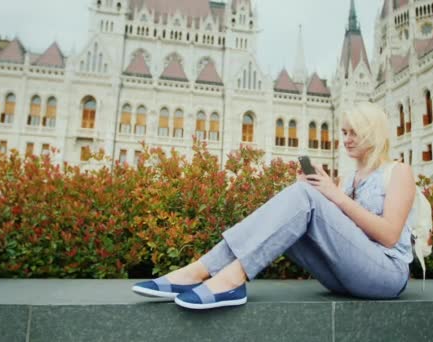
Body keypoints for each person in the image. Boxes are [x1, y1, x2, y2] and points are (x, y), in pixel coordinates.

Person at [132, 102, 416, 310]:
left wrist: (333, 196)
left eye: (354, 132)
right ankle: (201, 269)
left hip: (387, 276)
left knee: (303, 197)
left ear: (373, 132)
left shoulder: (398, 171)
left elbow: (389, 236)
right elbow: (342, 234)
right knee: (299, 197)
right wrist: (322, 192)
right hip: (345, 277)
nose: (346, 139)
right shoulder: (349, 179)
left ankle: (229, 278)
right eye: (343, 132)